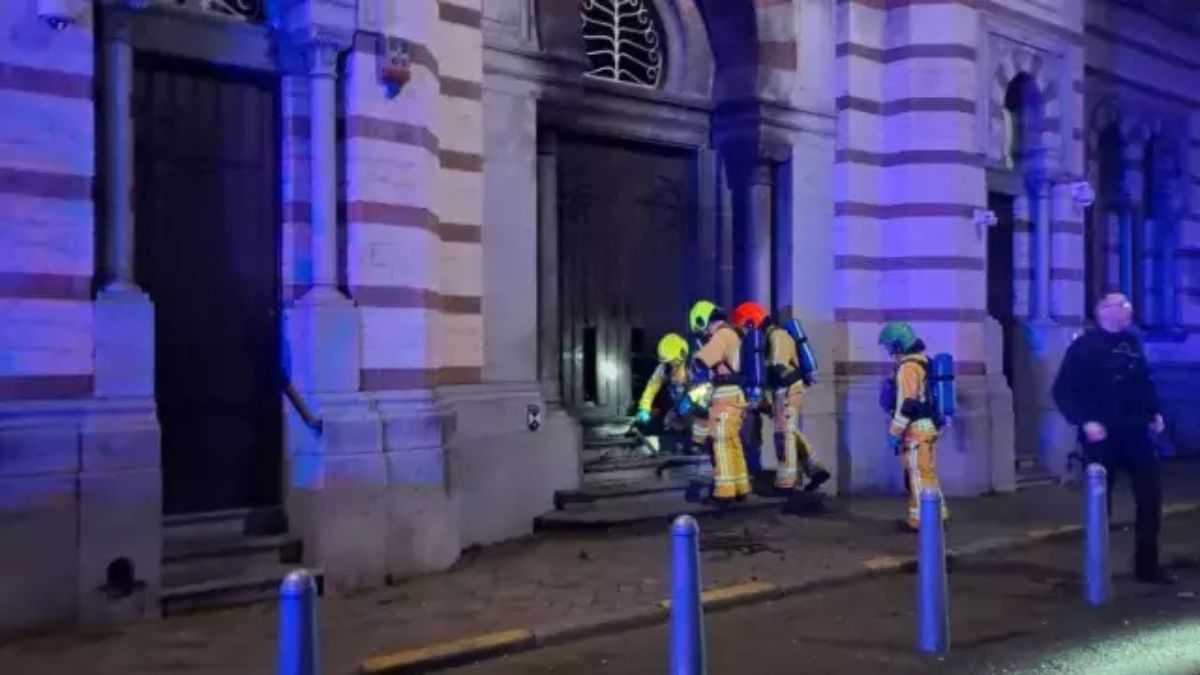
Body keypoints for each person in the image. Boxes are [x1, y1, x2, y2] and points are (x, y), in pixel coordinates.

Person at [1052, 293, 1172, 585]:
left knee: (1150, 498)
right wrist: (1086, 422)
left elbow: (1144, 382)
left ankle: (1147, 565)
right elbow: (1063, 391)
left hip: (1136, 433)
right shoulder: (1084, 347)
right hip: (1102, 436)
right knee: (1100, 503)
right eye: (1122, 306)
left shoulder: (1132, 343)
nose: (1129, 310)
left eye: (1128, 305)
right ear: (1104, 311)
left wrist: (1154, 412)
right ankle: (1096, 569)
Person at [879, 321, 948, 531]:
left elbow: (906, 405)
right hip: (929, 427)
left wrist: (893, 433)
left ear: (898, 344)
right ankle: (938, 515)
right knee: (928, 474)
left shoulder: (907, 368)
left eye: (889, 345)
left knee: (917, 476)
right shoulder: (924, 362)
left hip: (916, 430)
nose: (889, 351)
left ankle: (922, 523)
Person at [688, 300, 750, 501]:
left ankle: (724, 494)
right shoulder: (734, 335)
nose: (706, 333)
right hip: (736, 394)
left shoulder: (722, 335)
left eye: (704, 328)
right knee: (733, 444)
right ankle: (741, 488)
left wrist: (696, 360)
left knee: (721, 445)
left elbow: (702, 360)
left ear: (707, 321)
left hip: (725, 396)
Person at [633, 333, 695, 452]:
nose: (671, 364)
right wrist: (644, 407)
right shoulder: (664, 368)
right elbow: (651, 388)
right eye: (668, 361)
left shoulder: (694, 366)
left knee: (693, 433)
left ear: (682, 355)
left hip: (694, 411)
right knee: (666, 424)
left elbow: (705, 388)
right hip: (674, 409)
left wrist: (689, 402)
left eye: (673, 361)